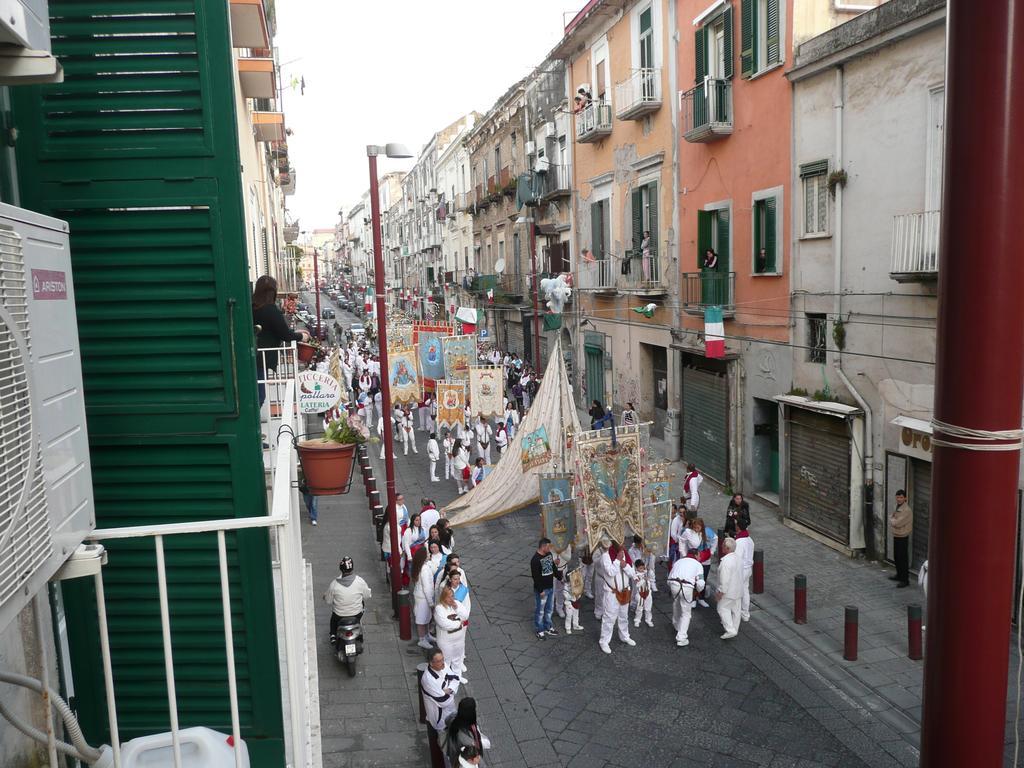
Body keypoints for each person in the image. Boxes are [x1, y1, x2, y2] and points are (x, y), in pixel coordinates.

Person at [252, 275, 309, 408]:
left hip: (252, 356)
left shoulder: (251, 306)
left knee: (255, 394)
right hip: (261, 358)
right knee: (259, 396)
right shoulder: (270, 310)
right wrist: (301, 337)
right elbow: (285, 334)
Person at [595, 537, 636, 654]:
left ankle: (625, 636)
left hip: (625, 591)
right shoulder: (605, 556)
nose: (622, 545)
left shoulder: (626, 554)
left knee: (623, 615)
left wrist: (625, 566)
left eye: (622, 542)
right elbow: (610, 572)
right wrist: (618, 561)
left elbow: (632, 573)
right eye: (620, 542)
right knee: (609, 617)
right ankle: (604, 641)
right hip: (612, 593)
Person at [322, 557, 371, 644]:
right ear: (352, 568)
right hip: (357, 614)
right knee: (362, 604)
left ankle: (333, 635)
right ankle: (359, 632)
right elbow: (367, 596)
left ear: (341, 569)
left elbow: (328, 601)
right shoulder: (360, 581)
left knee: (333, 619)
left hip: (339, 615)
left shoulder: (334, 584)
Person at [667, 549, 705, 647]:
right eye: (699, 555)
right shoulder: (698, 565)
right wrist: (698, 591)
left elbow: (670, 575)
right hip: (687, 587)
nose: (700, 557)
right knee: (686, 613)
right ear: (696, 555)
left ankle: (676, 624)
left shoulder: (679, 561)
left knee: (676, 604)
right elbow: (701, 582)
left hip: (674, 584)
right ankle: (681, 637)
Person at [440, 698, 491, 767]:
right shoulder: (467, 740)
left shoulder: (455, 718)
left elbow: (447, 720)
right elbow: (476, 757)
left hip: (455, 751)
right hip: (464, 755)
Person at [420, 647, 461, 731]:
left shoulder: (443, 665)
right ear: (431, 663)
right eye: (439, 661)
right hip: (439, 717)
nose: (443, 663)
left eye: (443, 659)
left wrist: (447, 691)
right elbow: (443, 701)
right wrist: (451, 692)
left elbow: (456, 679)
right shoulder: (428, 680)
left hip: (451, 709)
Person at [434, 586, 470, 683]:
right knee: (446, 661)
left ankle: (457, 678)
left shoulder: (457, 603)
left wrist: (456, 608)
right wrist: (459, 624)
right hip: (446, 641)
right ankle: (445, 679)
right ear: (443, 597)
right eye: (449, 597)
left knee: (457, 660)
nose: (452, 599)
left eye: (452, 596)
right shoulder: (439, 608)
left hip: (459, 639)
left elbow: (465, 616)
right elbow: (444, 624)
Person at [682, 517, 715, 608]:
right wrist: (684, 553)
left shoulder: (708, 532)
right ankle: (692, 598)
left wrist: (712, 551)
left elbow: (715, 539)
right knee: (693, 579)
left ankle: (701, 597)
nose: (696, 529)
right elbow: (682, 541)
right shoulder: (689, 533)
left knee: (703, 579)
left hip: (705, 560)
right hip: (694, 560)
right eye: (695, 527)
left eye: (698, 528)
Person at [530, 538, 559, 639]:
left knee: (549, 608)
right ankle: (540, 630)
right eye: (548, 546)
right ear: (543, 547)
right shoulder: (535, 560)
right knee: (540, 611)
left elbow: (553, 568)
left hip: (550, 587)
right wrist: (540, 590)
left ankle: (548, 627)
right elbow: (535, 577)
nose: (550, 548)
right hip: (542, 590)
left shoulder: (549, 555)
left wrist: (560, 577)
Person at [716, 538, 744, 639]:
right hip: (739, 589)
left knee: (722, 608)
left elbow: (724, 579)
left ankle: (730, 630)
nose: (721, 546)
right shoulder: (738, 558)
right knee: (736, 610)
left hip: (729, 591)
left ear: (727, 548)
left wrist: (720, 592)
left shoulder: (726, 562)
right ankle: (734, 628)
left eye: (723, 545)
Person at [411, 548, 436, 649]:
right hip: (423, 598)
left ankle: (427, 636)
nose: (429, 554)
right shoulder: (424, 569)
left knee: (426, 617)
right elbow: (427, 587)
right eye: (428, 553)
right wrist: (431, 603)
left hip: (421, 596)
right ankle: (422, 639)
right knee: (422, 619)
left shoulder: (422, 566)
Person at [890, 489, 912, 587]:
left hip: (903, 536)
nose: (899, 499)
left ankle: (905, 580)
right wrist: (893, 519)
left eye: (901, 497)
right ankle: (899, 575)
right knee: (897, 557)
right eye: (897, 497)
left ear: (905, 498)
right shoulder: (896, 506)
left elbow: (897, 523)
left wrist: (893, 520)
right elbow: (892, 517)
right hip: (896, 535)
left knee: (903, 558)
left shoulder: (907, 510)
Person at [735, 519, 755, 622]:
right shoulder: (750, 540)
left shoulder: (739, 542)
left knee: (737, 591)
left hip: (741, 570)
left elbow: (737, 558)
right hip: (748, 568)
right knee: (745, 590)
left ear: (738, 527)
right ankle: (745, 613)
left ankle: (737, 613)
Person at [561, 565, 585, 634]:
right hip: (569, 603)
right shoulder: (566, 586)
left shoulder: (575, 583)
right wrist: (573, 594)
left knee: (576, 614)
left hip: (576, 601)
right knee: (569, 616)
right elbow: (566, 595)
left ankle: (575, 625)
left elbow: (579, 589)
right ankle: (568, 627)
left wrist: (579, 595)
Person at [632, 558, 655, 629]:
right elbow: (637, 584)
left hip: (648, 593)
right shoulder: (635, 575)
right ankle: (637, 620)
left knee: (648, 608)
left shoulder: (647, 572)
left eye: (643, 567)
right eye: (640, 568)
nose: (642, 569)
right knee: (639, 608)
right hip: (640, 594)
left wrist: (649, 569)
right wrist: (644, 579)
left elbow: (652, 577)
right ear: (636, 568)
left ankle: (648, 620)